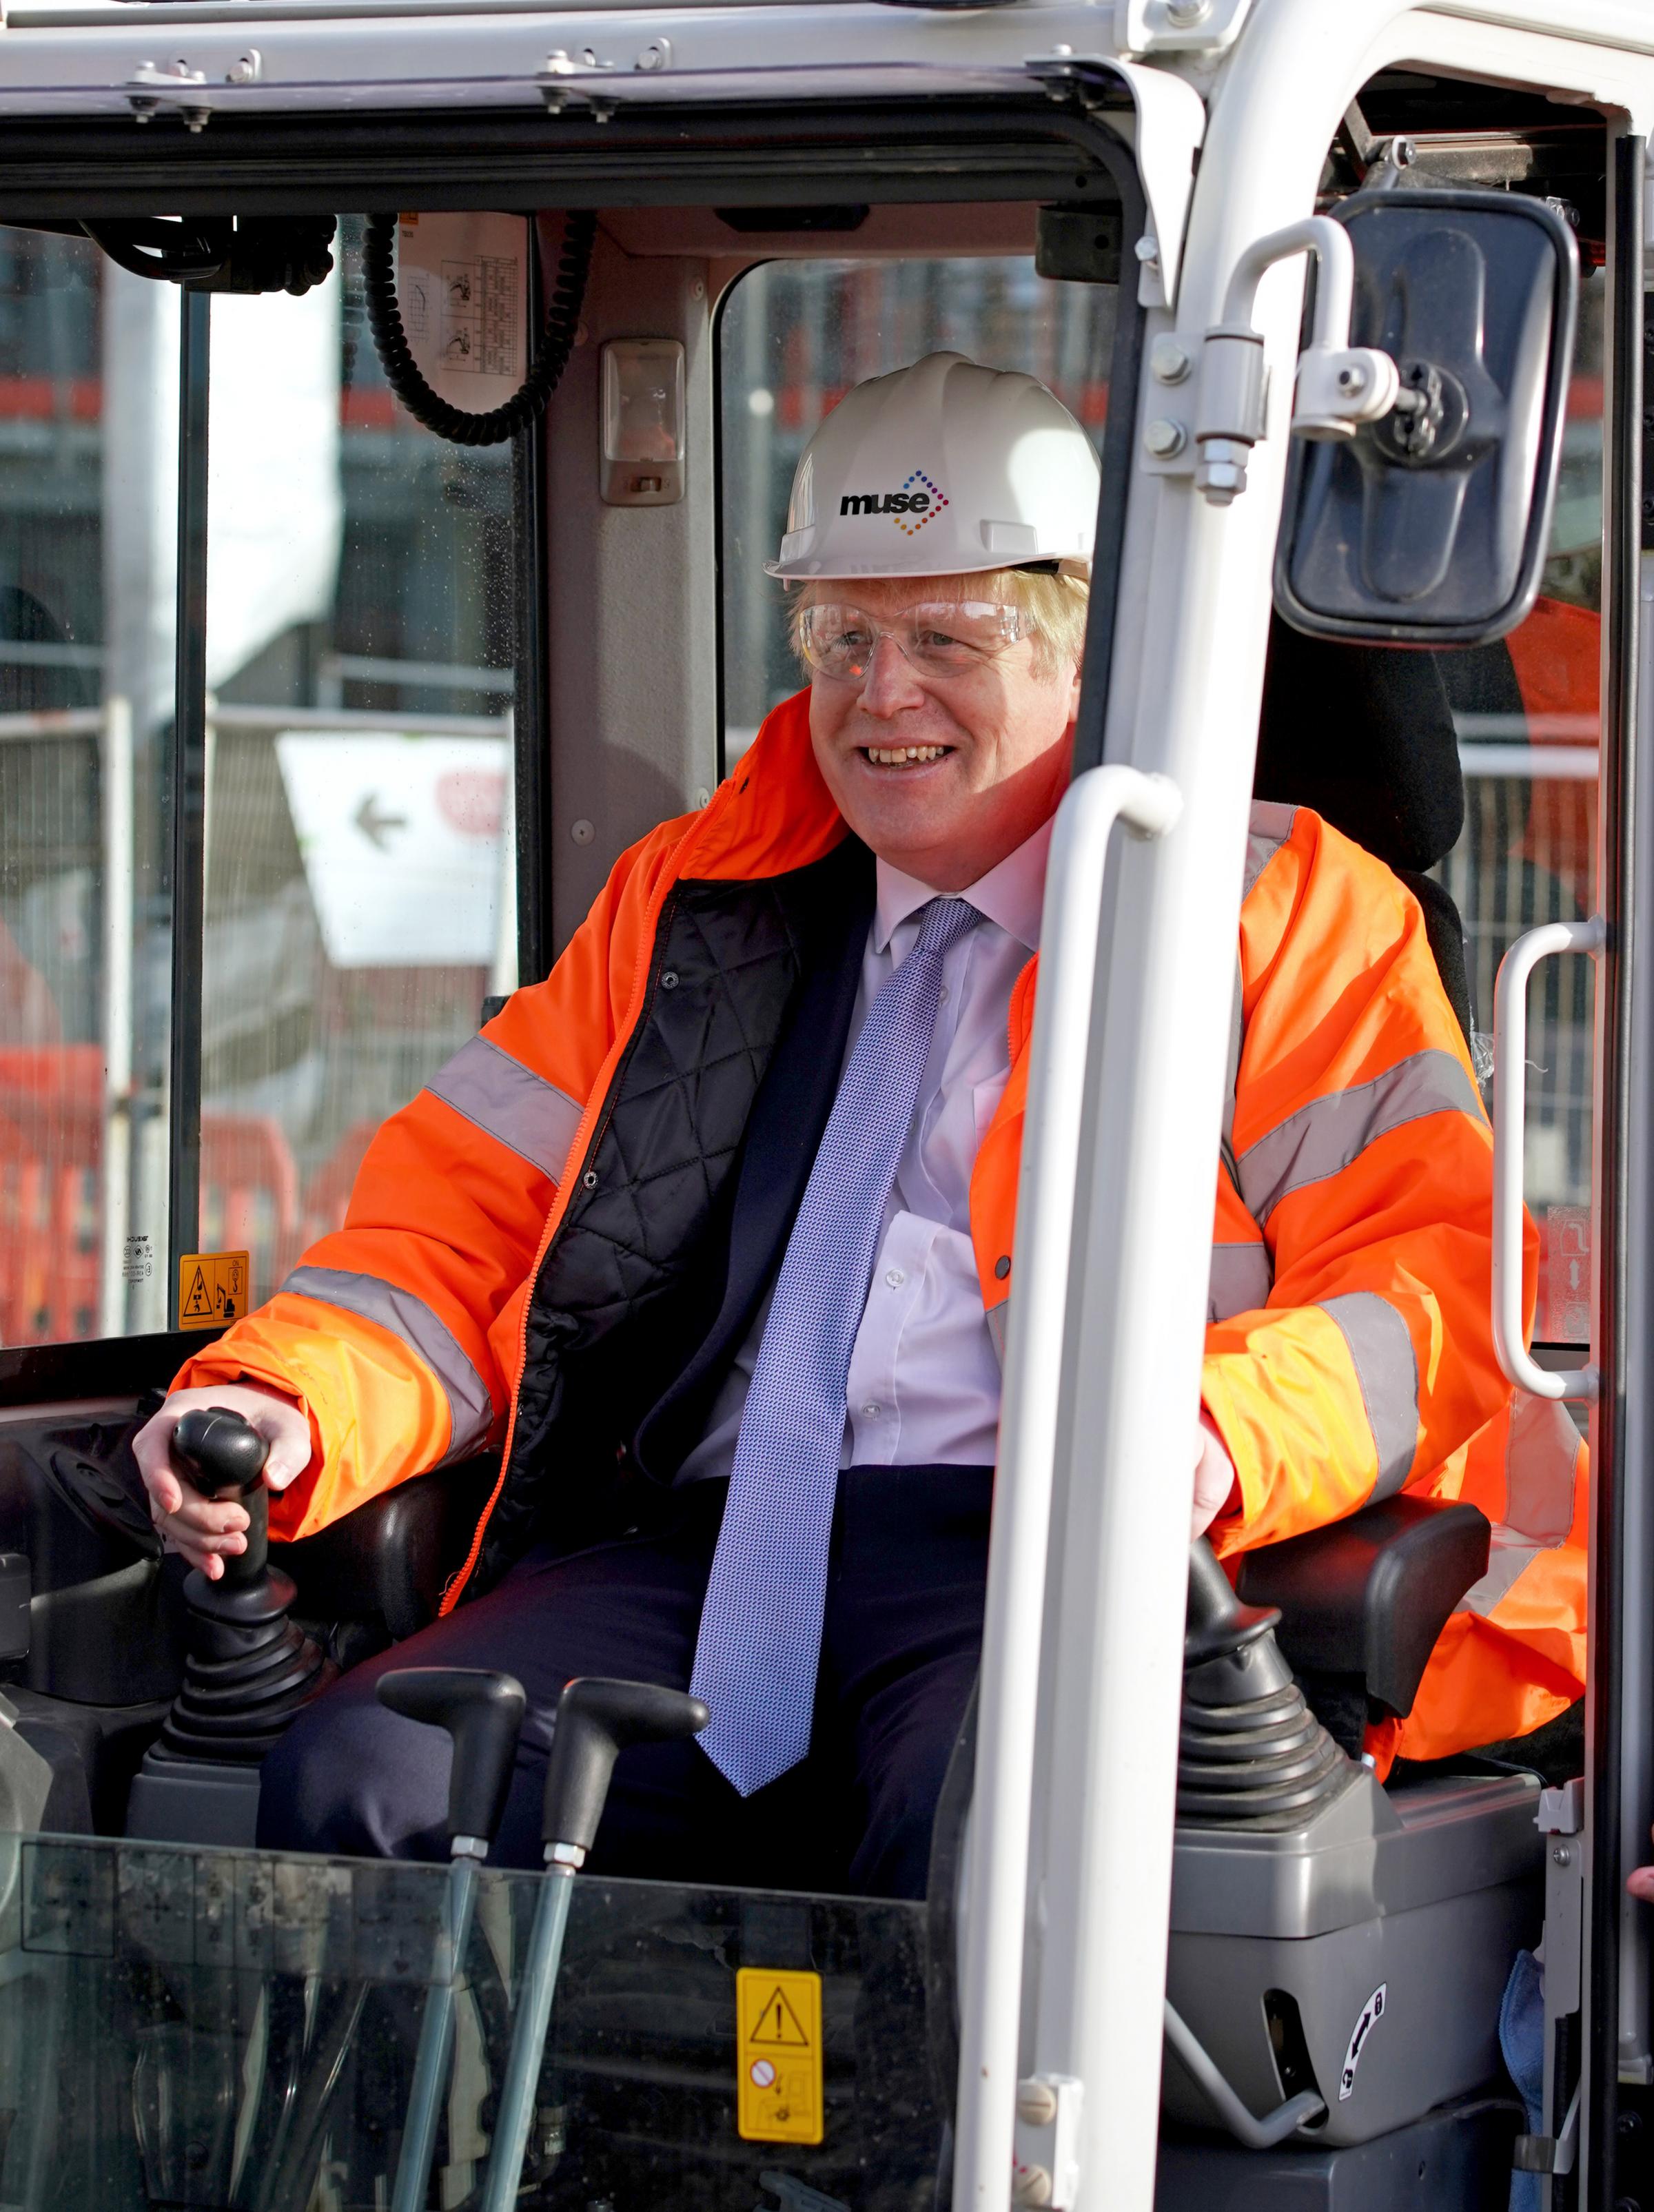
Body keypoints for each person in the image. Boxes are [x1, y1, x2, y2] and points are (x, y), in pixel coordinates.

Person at [133, 351, 1585, 1898]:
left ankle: (918, 2157)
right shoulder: (690, 907)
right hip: (706, 1546)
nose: (882, 695)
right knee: (369, 1780)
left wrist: (1210, 1432)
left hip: (1044, 1552)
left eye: (948, 640)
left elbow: (1418, 1288)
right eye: (842, 638)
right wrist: (284, 1400)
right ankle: (516, 2153)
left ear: (1085, 654)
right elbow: (456, 1231)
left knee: (979, 1831)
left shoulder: (1286, 918)